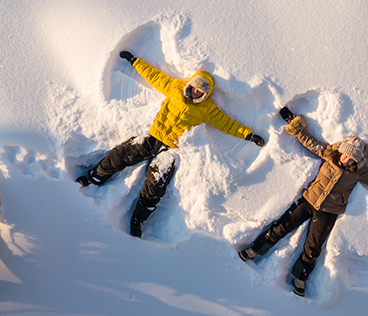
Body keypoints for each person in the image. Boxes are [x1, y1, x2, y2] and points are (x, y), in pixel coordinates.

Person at [77, 50, 264, 237]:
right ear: (190, 84)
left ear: (205, 94)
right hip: (152, 138)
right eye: (195, 87)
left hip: (170, 150)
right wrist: (134, 61)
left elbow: (227, 123)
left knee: (155, 185)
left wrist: (248, 135)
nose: (196, 91)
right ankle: (95, 177)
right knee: (122, 155)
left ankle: (137, 220)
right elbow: (154, 76)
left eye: (201, 91)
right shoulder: (175, 88)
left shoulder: (207, 109)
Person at [238, 107, 368, 296]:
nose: (346, 160)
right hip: (309, 200)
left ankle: (301, 277)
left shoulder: (359, 172)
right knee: (283, 226)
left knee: (313, 245)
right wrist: (295, 124)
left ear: (358, 161)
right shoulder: (330, 155)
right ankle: (255, 249)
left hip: (328, 211)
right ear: (341, 150)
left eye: (351, 159)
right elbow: (311, 143)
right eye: (345, 155)